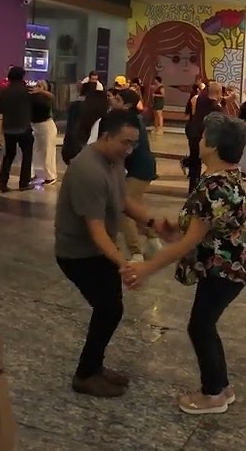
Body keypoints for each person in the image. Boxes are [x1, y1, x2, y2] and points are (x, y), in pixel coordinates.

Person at [121, 113, 246, 415]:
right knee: (205, 326)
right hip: (225, 267)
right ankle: (222, 387)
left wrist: (146, 268)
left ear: (214, 147)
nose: (199, 140)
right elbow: (197, 230)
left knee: (200, 327)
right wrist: (170, 230)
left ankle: (213, 394)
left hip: (221, 271)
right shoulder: (224, 179)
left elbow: (188, 242)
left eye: (204, 137)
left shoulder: (213, 187)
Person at [54, 109, 163, 398]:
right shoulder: (88, 170)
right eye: (125, 143)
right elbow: (96, 230)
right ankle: (85, 374)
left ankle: (94, 367)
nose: (129, 150)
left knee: (110, 307)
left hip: (96, 250)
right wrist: (124, 263)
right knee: (109, 309)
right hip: (77, 254)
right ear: (105, 137)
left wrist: (153, 223)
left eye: (133, 144)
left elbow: (123, 200)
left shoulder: (113, 161)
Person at [110, 87, 158, 261]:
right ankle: (153, 242)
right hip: (142, 168)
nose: (112, 100)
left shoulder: (131, 122)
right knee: (135, 208)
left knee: (125, 209)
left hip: (139, 169)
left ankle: (136, 252)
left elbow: (130, 147)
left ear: (127, 104)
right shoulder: (131, 119)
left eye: (117, 99)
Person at [0, 67, 35, 193]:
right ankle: (24, 182)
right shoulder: (26, 91)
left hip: (8, 128)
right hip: (23, 127)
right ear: (22, 77)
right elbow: (34, 106)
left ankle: (2, 181)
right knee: (27, 155)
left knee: (9, 155)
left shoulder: (4, 92)